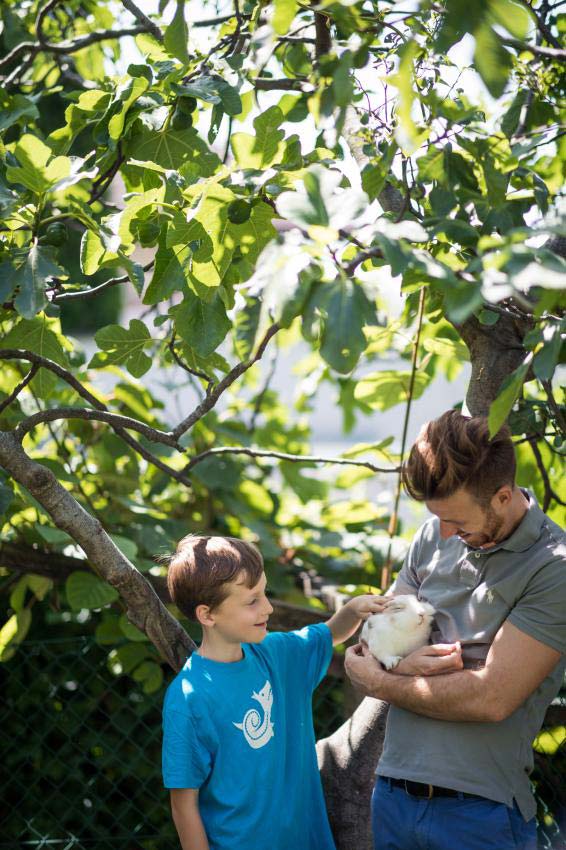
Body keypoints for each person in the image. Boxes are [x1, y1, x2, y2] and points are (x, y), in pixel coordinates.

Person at [344, 409, 566, 850]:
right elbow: (371, 641)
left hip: (480, 813)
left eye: (459, 522)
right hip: (391, 795)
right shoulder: (432, 536)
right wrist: (402, 668)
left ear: (503, 497)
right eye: (438, 518)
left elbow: (491, 697)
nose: (445, 532)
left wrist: (380, 680)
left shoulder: (553, 568)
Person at [162, 534, 391, 850]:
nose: (267, 607)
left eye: (264, 593)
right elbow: (183, 804)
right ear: (207, 615)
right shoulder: (188, 699)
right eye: (252, 600)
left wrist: (355, 609)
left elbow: (328, 634)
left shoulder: (277, 654)